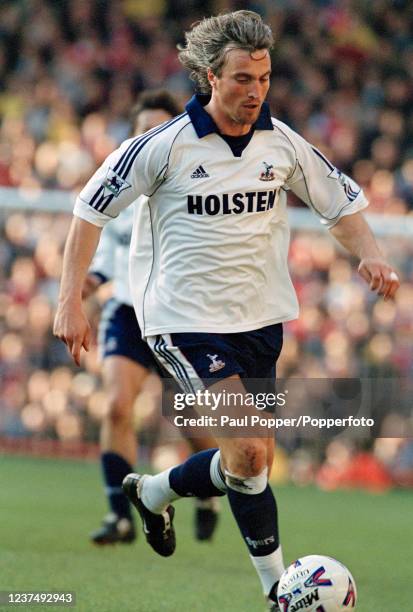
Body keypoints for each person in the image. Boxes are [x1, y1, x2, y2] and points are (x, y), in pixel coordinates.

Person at [54, 10, 400, 610]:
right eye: (243, 78)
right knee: (245, 450)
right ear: (212, 76)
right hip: (182, 321)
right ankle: (277, 593)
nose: (255, 90)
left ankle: (155, 491)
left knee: (254, 460)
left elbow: (338, 205)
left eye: (263, 78)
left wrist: (370, 254)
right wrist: (68, 301)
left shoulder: (283, 143)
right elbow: (90, 209)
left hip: (261, 322)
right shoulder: (162, 147)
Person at [82, 90, 220, 545]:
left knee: (191, 422)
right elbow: (102, 256)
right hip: (127, 312)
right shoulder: (120, 195)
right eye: (145, 130)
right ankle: (119, 515)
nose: (152, 138)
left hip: (177, 316)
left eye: (161, 129)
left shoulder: (192, 192)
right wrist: (79, 290)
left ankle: (205, 493)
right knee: (118, 405)